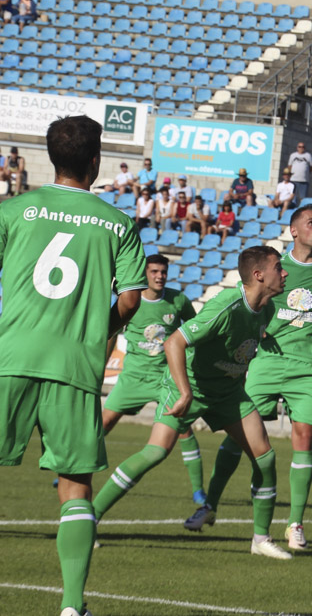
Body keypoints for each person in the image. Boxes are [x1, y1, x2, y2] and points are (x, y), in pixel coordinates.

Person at [0, 115, 146, 616]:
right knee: (75, 487)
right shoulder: (119, 225)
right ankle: (70, 606)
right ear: (95, 161)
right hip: (75, 365)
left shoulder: (15, 209)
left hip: (11, 357)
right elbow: (130, 301)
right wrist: (98, 329)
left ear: (50, 158)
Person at [93, 246, 295, 561]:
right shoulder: (225, 305)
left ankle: (260, 538)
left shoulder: (267, 309)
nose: (284, 273)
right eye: (278, 268)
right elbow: (175, 341)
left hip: (228, 394)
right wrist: (185, 392)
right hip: (190, 387)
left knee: (265, 457)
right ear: (258, 275)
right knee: (155, 452)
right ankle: (90, 517)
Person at [188, 205, 312, 551]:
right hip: (266, 363)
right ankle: (210, 505)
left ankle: (295, 524)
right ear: (294, 231)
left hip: (310, 367)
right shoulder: (274, 268)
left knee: (304, 437)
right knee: (239, 436)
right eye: (311, 223)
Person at [102, 254, 206, 504]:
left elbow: (195, 331)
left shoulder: (178, 300)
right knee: (103, 423)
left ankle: (198, 490)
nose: (159, 276)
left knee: (182, 427)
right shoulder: (129, 300)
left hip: (166, 378)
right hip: (134, 376)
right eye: (154, 272)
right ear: (144, 274)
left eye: (163, 271)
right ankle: (76, 470)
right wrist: (101, 365)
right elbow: (112, 333)